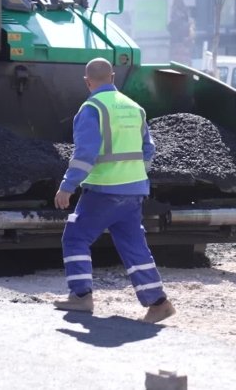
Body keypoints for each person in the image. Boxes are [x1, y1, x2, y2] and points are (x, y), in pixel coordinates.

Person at [52, 57, 175, 324]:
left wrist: (67, 186)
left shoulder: (92, 108)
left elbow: (85, 154)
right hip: (134, 190)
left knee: (75, 237)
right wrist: (134, 174)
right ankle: (158, 303)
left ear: (87, 82)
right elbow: (148, 149)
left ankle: (81, 296)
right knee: (133, 245)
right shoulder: (134, 107)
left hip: (104, 190)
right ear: (113, 77)